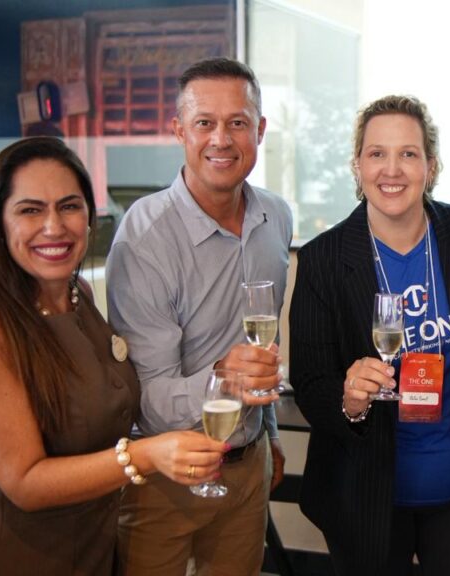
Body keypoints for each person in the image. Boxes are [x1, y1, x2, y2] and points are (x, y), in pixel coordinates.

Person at [0, 137, 228, 575]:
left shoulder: (80, 296)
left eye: (69, 206)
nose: (54, 226)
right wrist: (145, 456)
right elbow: (25, 483)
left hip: (94, 552)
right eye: (30, 210)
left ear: (90, 218)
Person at [289, 95, 450, 575]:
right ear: (358, 165)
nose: (393, 169)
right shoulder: (324, 259)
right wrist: (349, 399)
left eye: (408, 153)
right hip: (364, 495)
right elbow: (310, 382)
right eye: (377, 153)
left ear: (431, 165)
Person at [106, 57, 292, 575]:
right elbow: (149, 397)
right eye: (204, 123)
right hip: (164, 479)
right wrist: (223, 379)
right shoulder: (145, 238)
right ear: (178, 131)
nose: (222, 139)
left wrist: (269, 435)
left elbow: (261, 348)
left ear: (260, 129)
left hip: (247, 466)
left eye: (238, 122)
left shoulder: (276, 216)